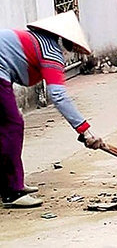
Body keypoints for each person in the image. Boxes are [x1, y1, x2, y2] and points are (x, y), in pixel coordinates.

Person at [1, 11, 104, 209]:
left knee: (7, 124)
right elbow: (58, 96)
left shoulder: (37, 40)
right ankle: (13, 192)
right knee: (12, 126)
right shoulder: (51, 52)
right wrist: (85, 130)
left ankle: (10, 183)